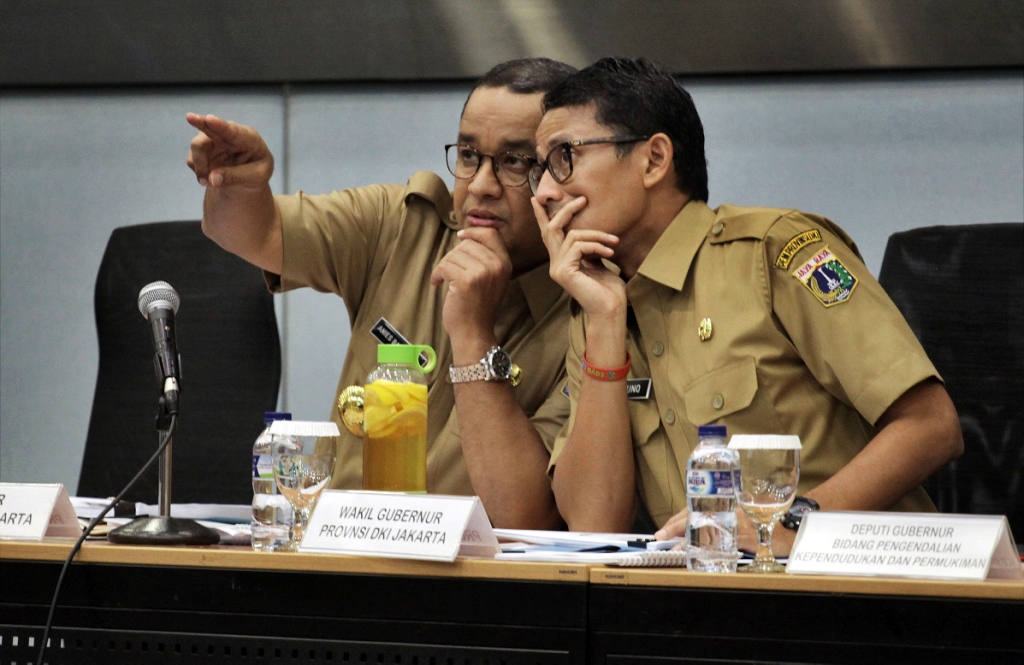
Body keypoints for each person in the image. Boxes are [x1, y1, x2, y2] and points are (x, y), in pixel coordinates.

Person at [530, 57, 963, 552]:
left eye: (565, 157)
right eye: (540, 169)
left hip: (860, 592)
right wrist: (605, 325)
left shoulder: (777, 251)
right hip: (709, 603)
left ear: (653, 160)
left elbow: (932, 427)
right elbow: (595, 527)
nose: (544, 191)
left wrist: (792, 524)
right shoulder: (596, 302)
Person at [186, 58, 577, 529]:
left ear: (561, 172)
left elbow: (525, 518)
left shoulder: (590, 307)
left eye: (514, 162)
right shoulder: (400, 225)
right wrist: (236, 185)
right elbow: (252, 230)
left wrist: (473, 334)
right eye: (469, 155)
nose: (480, 186)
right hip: (345, 560)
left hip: (474, 587)